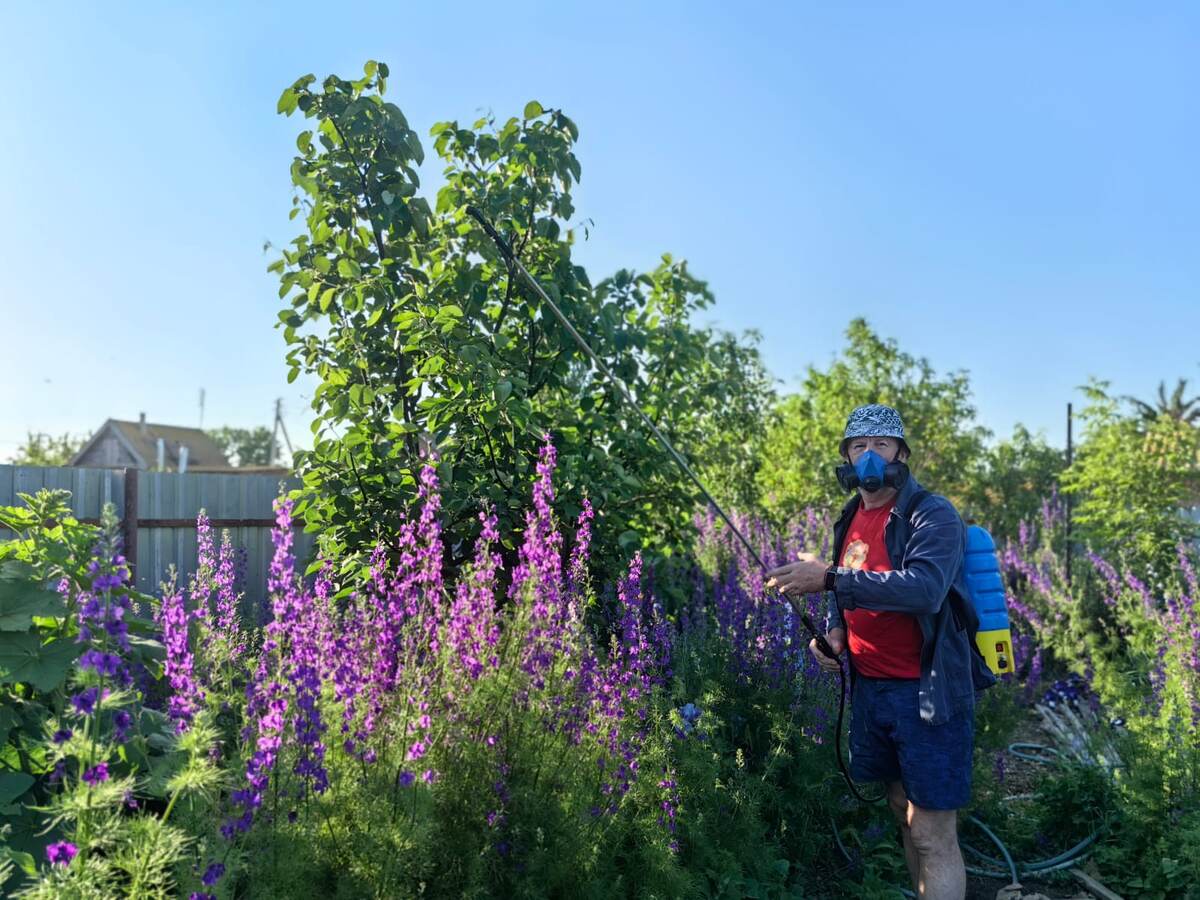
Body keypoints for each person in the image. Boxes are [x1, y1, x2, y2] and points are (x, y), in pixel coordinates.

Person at [766, 404, 994, 900]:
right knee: (903, 813)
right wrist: (834, 635)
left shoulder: (931, 514)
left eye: (881, 444)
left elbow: (925, 590)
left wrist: (826, 577)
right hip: (873, 689)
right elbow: (848, 594)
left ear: (902, 454)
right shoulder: (849, 517)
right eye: (858, 445)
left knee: (934, 833)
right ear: (846, 456)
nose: (869, 455)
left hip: (928, 694)